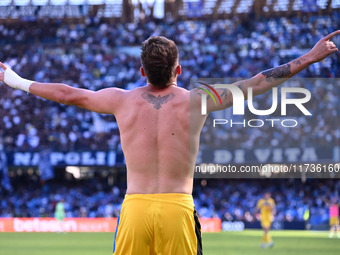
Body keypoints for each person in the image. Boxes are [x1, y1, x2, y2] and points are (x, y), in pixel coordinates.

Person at [0, 30, 339, 255]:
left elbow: (65, 93)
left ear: (142, 71)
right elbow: (258, 83)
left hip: (135, 210)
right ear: (179, 69)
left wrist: (15, 80)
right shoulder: (199, 100)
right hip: (178, 208)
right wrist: (307, 59)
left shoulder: (121, 100)